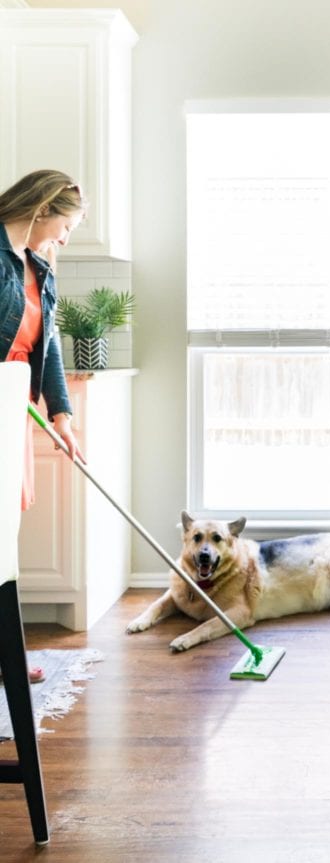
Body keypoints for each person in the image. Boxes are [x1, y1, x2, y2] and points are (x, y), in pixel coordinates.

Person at [0, 170, 88, 683]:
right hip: (1, 400)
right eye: (65, 227)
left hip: (13, 411)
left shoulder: (40, 267)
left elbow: (47, 343)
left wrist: (63, 416)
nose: (64, 238)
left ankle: (7, 654)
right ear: (42, 210)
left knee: (4, 538)